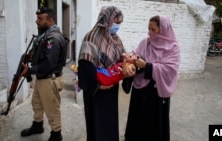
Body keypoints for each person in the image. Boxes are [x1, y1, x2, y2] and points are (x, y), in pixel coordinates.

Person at [78, 6, 135, 141]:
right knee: (97, 125)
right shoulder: (91, 37)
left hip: (111, 89)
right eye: (116, 23)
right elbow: (85, 65)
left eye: (119, 24)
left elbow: (122, 57)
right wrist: (97, 86)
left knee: (109, 123)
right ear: (107, 20)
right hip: (96, 91)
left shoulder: (115, 39)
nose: (117, 26)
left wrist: (128, 65)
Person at [124, 15, 180, 141]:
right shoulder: (145, 42)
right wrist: (131, 61)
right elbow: (136, 54)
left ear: (163, 29)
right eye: (148, 29)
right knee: (137, 121)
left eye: (153, 29)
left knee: (153, 124)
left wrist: (148, 66)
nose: (150, 32)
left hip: (156, 93)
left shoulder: (173, 48)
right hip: (140, 90)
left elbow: (170, 70)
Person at [21, 7, 67, 141]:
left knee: (52, 108)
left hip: (49, 79)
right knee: (37, 103)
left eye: (40, 19)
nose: (37, 21)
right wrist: (32, 57)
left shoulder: (53, 38)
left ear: (50, 20)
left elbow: (49, 64)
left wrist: (30, 70)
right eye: (37, 18)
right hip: (42, 78)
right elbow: (43, 56)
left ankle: (56, 134)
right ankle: (37, 125)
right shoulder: (45, 36)